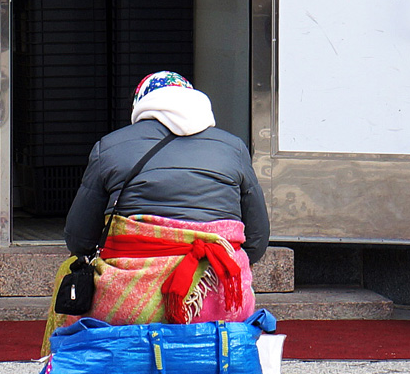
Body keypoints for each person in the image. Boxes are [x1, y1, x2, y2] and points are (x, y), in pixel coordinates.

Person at [42, 71, 270, 351]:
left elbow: (79, 240)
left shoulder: (110, 146)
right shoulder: (234, 148)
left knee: (69, 271)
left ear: (142, 103)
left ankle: (58, 372)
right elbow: (257, 242)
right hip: (221, 300)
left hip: (127, 303)